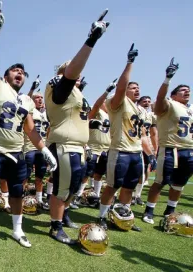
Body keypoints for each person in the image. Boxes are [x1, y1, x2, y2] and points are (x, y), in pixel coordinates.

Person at [0, 3, 57, 249]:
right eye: (15, 70)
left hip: (18, 153)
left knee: (18, 192)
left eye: (23, 72)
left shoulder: (27, 100)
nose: (20, 74)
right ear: (7, 75)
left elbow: (30, 128)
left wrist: (44, 149)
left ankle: (17, 230)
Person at [45, 10, 109, 243]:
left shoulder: (78, 93)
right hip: (63, 146)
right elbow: (70, 75)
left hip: (79, 147)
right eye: (74, 72)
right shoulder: (58, 84)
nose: (79, 75)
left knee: (73, 189)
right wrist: (91, 39)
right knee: (62, 189)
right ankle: (55, 226)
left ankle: (62, 216)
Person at [97, 44, 146, 232]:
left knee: (129, 187)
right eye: (133, 87)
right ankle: (102, 216)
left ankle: (123, 217)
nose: (136, 89)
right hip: (120, 151)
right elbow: (121, 87)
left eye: (138, 87)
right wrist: (129, 63)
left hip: (136, 152)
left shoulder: (140, 109)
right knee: (112, 186)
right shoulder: (118, 102)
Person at [143, 59, 192, 224]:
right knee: (160, 181)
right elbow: (158, 102)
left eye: (189, 90)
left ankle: (170, 210)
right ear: (173, 95)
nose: (187, 92)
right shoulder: (169, 104)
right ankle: (149, 210)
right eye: (183, 90)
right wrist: (167, 80)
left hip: (189, 150)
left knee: (179, 184)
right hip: (172, 149)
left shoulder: (190, 109)